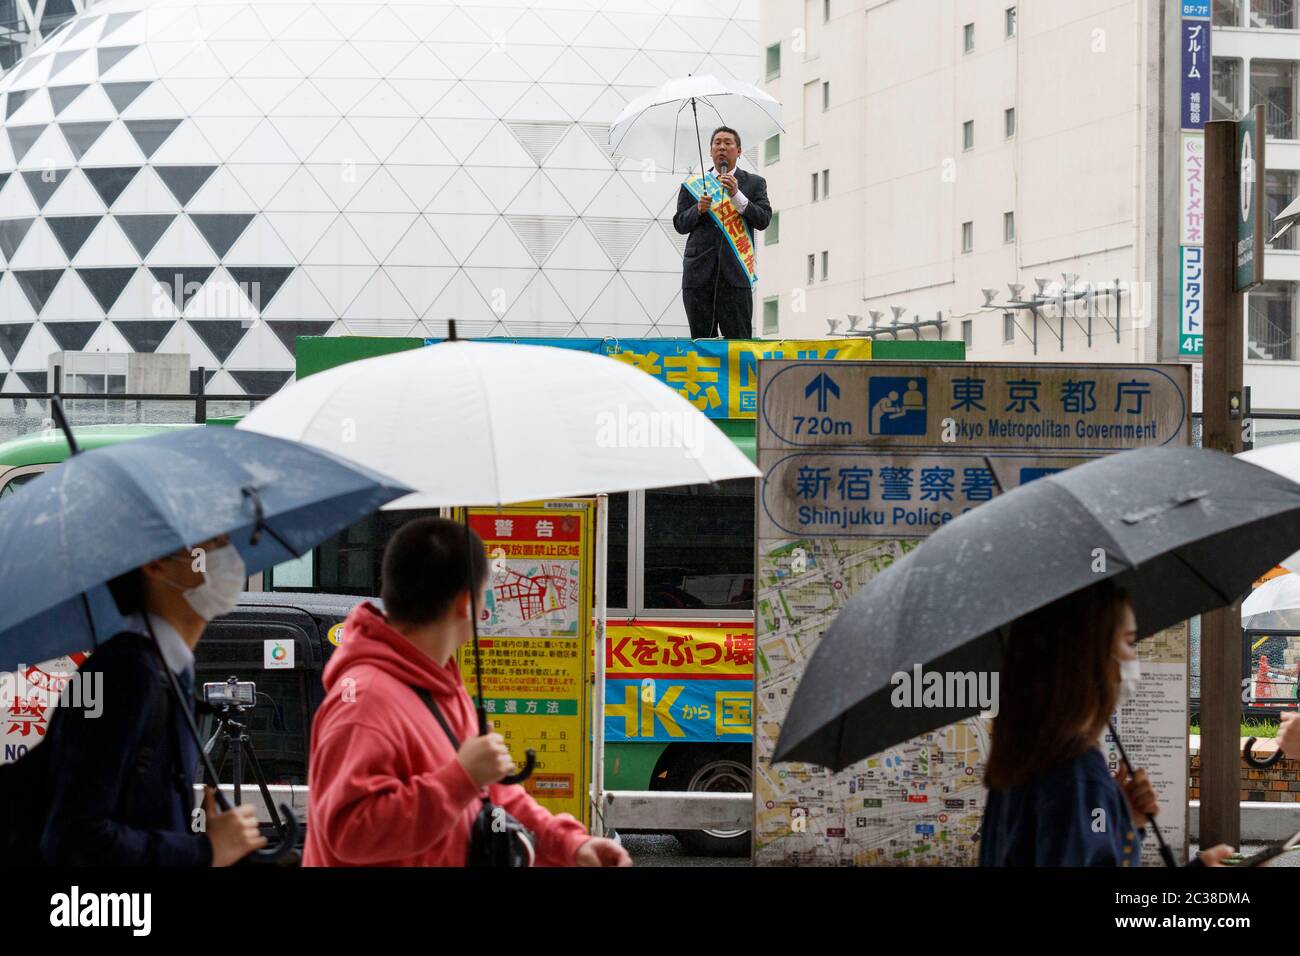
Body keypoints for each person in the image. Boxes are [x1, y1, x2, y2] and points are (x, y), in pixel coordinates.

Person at [303, 517, 632, 867]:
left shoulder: (439, 684)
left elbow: (493, 791)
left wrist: (570, 845)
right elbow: (348, 833)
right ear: (465, 604)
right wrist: (461, 778)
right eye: (483, 593)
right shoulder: (366, 701)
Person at [40, 534, 267, 866]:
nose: (228, 557)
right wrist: (204, 852)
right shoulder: (126, 673)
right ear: (156, 563)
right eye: (210, 545)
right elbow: (74, 837)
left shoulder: (166, 669)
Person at [979, 581, 1233, 866]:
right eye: (1128, 641)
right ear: (1090, 655)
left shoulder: (1019, 760)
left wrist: (1121, 815)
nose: (1133, 657)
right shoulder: (1077, 774)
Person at [673, 126, 772, 339]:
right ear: (710, 151)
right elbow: (680, 224)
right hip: (699, 277)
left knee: (738, 342)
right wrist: (697, 209)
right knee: (701, 341)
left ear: (739, 151)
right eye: (717, 143)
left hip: (735, 276)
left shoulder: (754, 183)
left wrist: (737, 195)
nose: (722, 147)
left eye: (728, 143)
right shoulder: (693, 185)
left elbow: (763, 219)